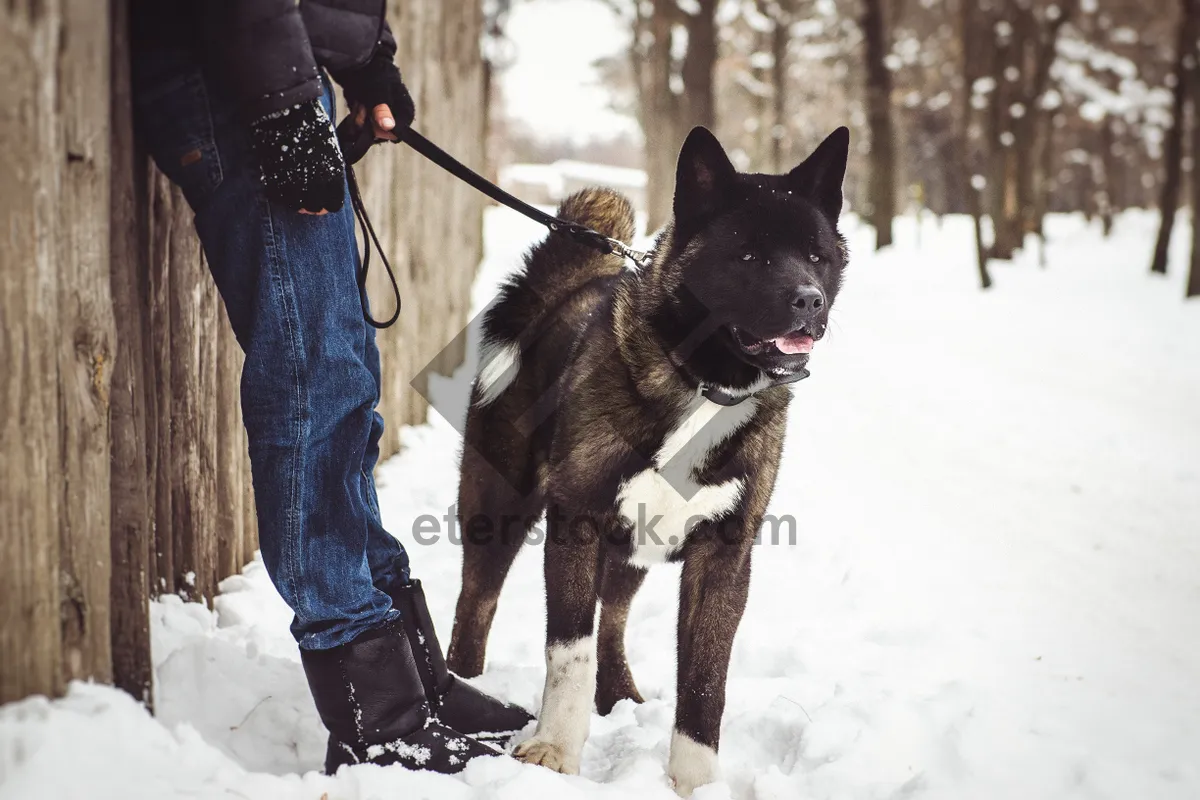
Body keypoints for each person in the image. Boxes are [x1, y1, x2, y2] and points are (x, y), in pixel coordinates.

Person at [130, 0, 531, 774]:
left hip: (273, 72)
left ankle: (410, 679)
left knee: (343, 373)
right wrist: (281, 108)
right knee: (311, 377)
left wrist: (367, 60)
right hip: (237, 78)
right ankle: (373, 711)